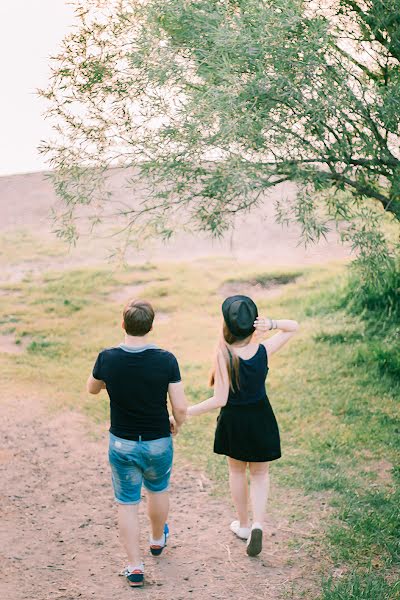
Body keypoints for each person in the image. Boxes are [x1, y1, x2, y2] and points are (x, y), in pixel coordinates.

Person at [186, 295, 299, 557]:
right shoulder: (263, 350)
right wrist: (270, 323)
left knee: (237, 472)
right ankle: (259, 523)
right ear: (253, 324)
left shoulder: (224, 355)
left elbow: (220, 399)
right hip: (261, 417)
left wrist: (187, 411)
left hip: (235, 421)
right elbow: (293, 326)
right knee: (260, 474)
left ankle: (245, 525)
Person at [87, 299, 187, 587]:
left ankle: (134, 566)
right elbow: (179, 407)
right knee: (158, 490)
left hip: (123, 444)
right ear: (151, 326)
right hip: (158, 440)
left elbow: (92, 389)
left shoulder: (107, 358)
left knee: (127, 504)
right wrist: (177, 424)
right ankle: (157, 539)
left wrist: (113, 382)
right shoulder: (166, 359)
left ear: (123, 324)